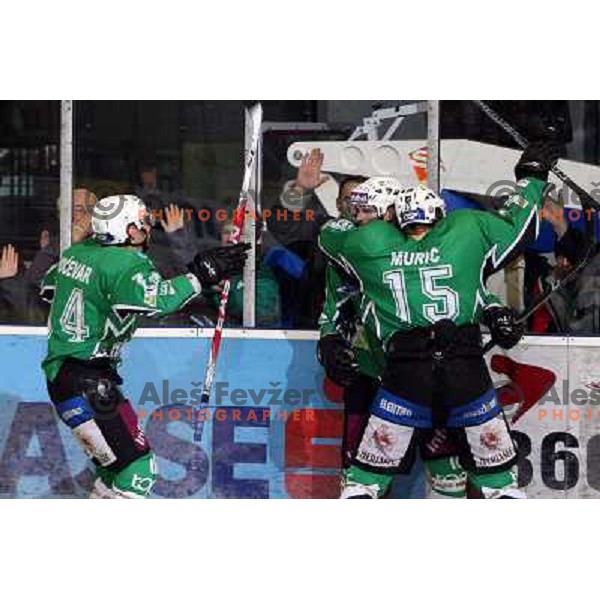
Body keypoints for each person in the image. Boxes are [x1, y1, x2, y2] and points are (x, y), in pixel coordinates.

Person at [318, 140, 557, 499]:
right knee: (498, 481)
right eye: (355, 211)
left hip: (403, 375)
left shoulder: (360, 246)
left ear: (391, 214)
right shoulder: (460, 232)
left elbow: (332, 237)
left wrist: (493, 309)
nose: (357, 219)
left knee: (415, 477)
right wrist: (330, 340)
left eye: (366, 212)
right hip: (386, 373)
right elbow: (332, 310)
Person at [40, 194, 249, 498]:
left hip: (67, 377)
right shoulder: (125, 261)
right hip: (88, 381)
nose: (149, 228)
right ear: (129, 231)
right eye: (144, 222)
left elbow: (48, 287)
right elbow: (160, 301)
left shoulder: (78, 253)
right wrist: (200, 276)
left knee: (113, 470)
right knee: (139, 471)